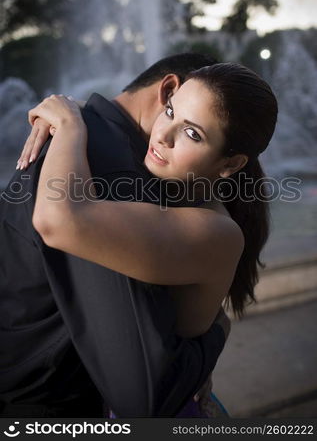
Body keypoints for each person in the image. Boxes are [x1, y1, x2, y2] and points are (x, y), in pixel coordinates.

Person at [25, 62, 277, 416]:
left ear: (231, 164)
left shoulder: (216, 229)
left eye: (192, 134)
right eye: (170, 110)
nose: (163, 134)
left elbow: (57, 219)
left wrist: (70, 125)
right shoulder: (170, 192)